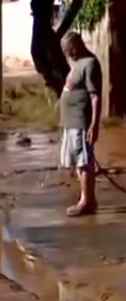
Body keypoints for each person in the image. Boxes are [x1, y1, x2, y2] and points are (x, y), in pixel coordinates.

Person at [58, 31, 103, 217]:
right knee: (78, 162)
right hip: (71, 122)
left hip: (80, 121)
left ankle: (86, 202)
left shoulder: (90, 63)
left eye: (68, 50)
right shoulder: (77, 64)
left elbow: (95, 96)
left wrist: (94, 125)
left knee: (84, 162)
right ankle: (88, 198)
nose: (67, 54)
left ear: (75, 47)